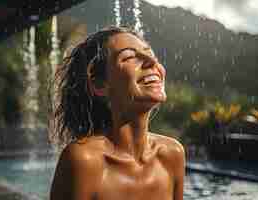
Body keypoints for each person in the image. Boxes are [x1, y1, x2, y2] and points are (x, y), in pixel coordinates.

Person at [50, 26, 185, 200]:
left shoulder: (172, 154)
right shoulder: (84, 160)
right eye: (129, 57)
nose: (151, 61)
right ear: (99, 84)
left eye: (150, 54)